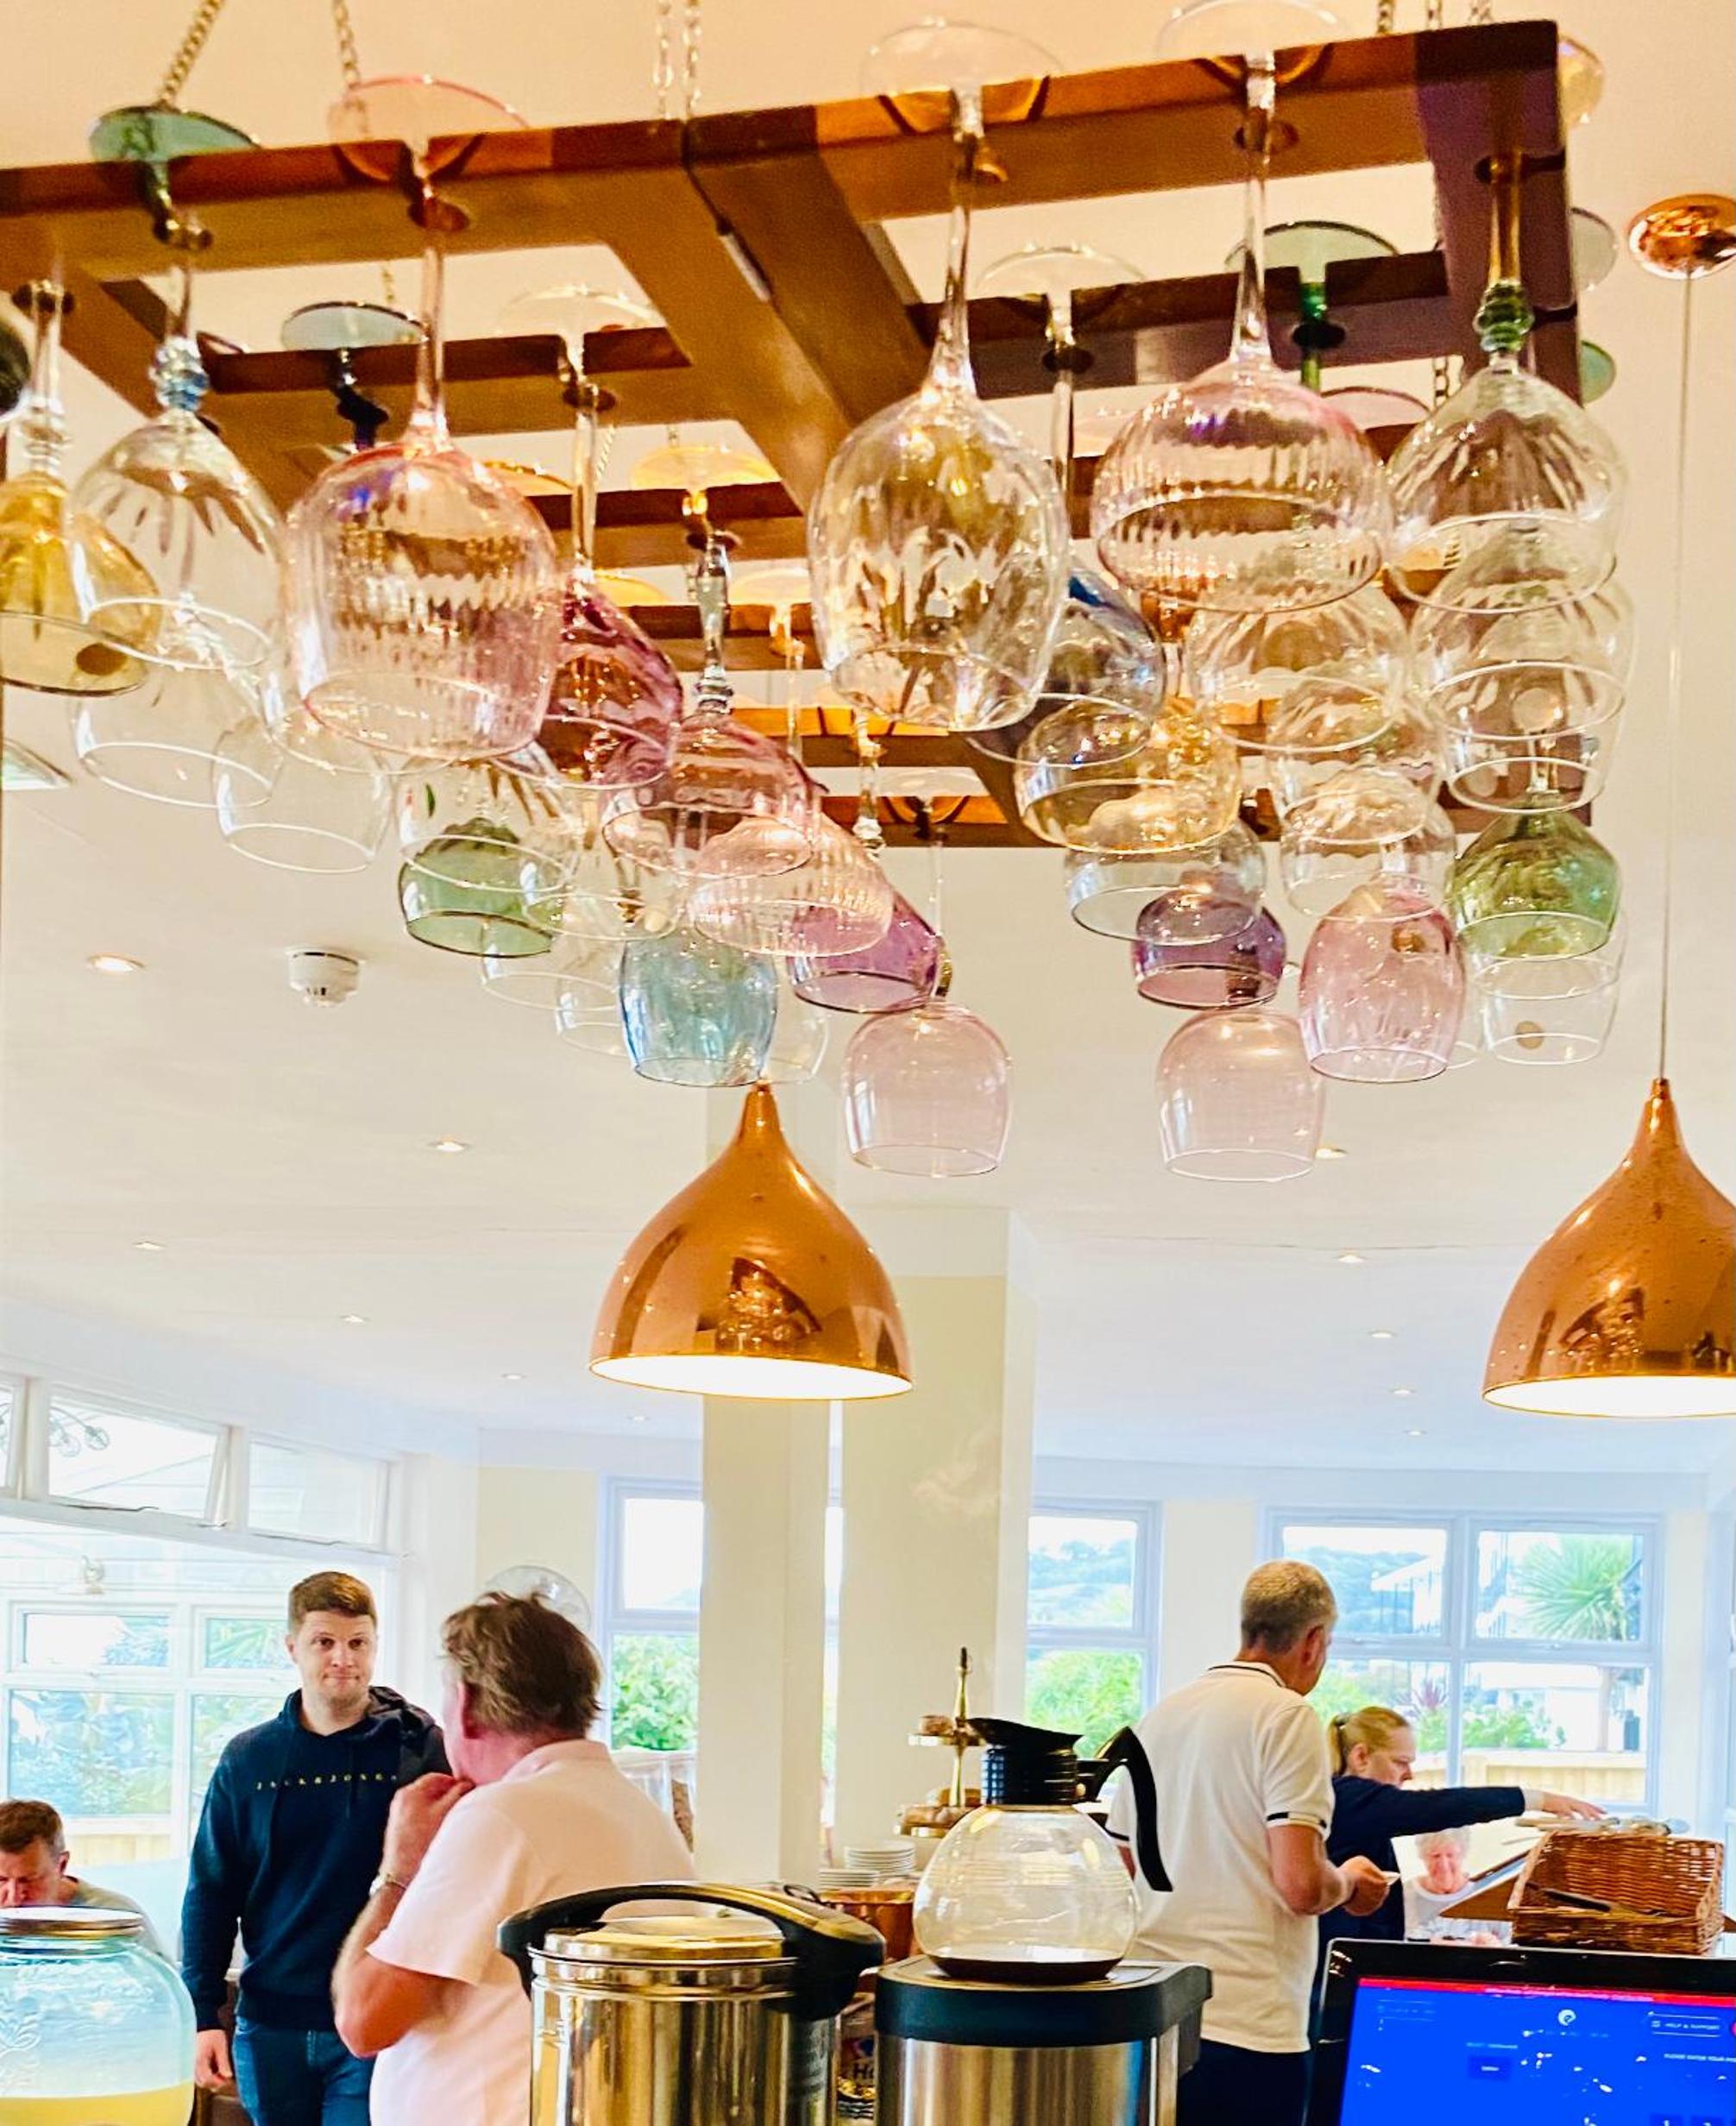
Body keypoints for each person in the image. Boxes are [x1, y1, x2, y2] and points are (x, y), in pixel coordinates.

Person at [332, 1592, 695, 2126]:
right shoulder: (645, 1816)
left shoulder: (501, 1816)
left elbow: (364, 2020)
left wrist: (399, 1871)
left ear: (465, 1706)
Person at [1108, 1561, 1390, 2126]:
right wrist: (1350, 1881)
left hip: (1155, 2020)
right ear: (1313, 1642)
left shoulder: (1158, 1718)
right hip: (1249, 2025)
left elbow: (1122, 1870)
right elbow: (1301, 1885)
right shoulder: (1286, 1715)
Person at [179, 1570, 446, 2126]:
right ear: (292, 1648)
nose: (343, 1659)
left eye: (358, 1643)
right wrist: (202, 2014)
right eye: (324, 1642)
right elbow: (211, 1890)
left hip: (375, 2017)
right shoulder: (248, 1760)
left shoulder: (419, 1748)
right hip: (270, 2024)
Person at [1317, 1703, 1601, 1988]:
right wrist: (1536, 1800)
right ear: (1361, 1756)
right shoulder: (1346, 1797)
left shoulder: (1358, 1808)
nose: (1409, 1774)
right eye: (1400, 1762)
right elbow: (1438, 1807)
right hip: (1329, 1977)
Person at [0, 1798, 167, 1953]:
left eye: (29, 1880)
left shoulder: (114, 1918)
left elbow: (154, 1974)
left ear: (62, 1865)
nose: (13, 1897)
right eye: (1, 1880)